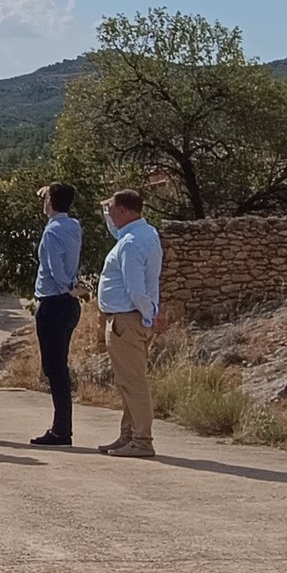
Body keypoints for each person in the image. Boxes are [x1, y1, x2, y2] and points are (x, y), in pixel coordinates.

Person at [96, 189, 163, 457]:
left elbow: (136, 288)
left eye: (111, 208)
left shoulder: (131, 243)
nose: (109, 213)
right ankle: (128, 435)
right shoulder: (144, 234)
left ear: (123, 210)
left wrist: (148, 314)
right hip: (133, 318)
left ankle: (142, 440)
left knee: (133, 383)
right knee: (128, 381)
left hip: (126, 319)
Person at [30, 181, 84, 446]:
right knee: (59, 366)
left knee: (55, 368)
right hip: (68, 305)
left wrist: (67, 287)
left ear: (50, 201)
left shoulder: (51, 232)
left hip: (54, 300)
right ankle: (62, 425)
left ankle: (61, 429)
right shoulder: (73, 226)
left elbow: (54, 268)